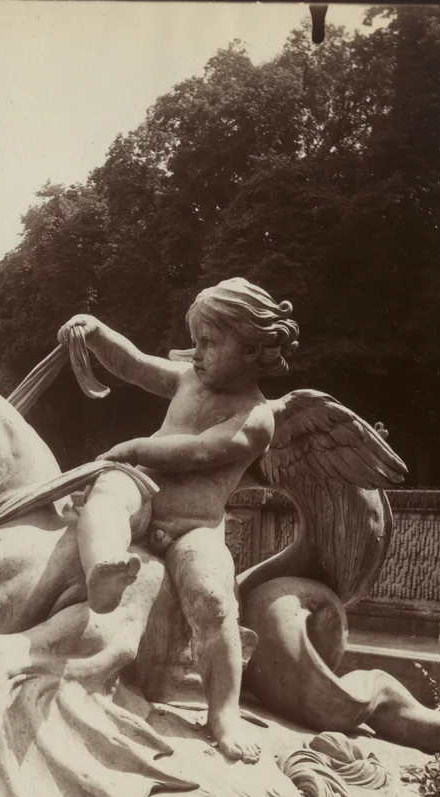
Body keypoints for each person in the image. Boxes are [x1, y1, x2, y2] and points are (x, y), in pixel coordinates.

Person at [59, 278, 299, 763]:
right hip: (144, 492)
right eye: (196, 341)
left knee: (213, 601)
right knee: (109, 490)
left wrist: (134, 447)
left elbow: (199, 452)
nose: (197, 353)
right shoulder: (190, 376)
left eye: (209, 342)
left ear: (252, 348)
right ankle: (104, 569)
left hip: (195, 526)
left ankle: (223, 713)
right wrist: (98, 332)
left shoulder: (256, 417)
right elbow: (136, 365)